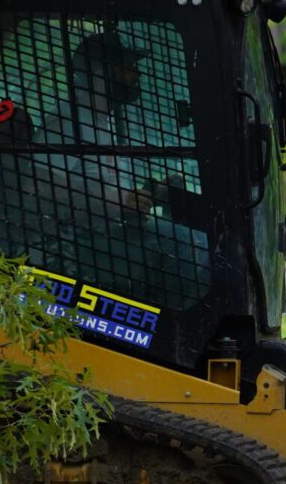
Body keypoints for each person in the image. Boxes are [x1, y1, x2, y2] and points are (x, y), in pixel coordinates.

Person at [32, 29, 213, 313]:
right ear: (98, 73)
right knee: (195, 248)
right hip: (81, 244)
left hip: (114, 234)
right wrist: (113, 200)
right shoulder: (68, 122)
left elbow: (102, 185)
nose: (135, 76)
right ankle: (179, 329)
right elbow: (41, 186)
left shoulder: (104, 121)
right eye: (126, 68)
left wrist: (150, 191)